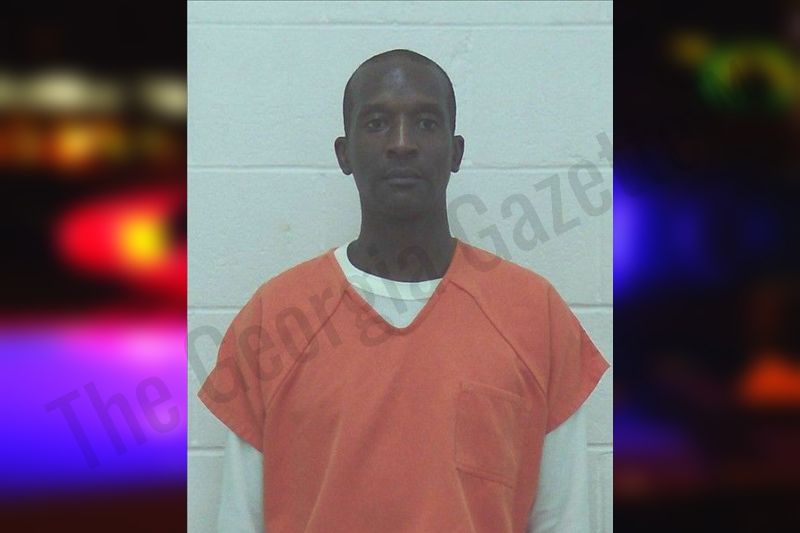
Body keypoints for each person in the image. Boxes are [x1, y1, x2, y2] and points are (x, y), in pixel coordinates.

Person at [198, 49, 609, 533]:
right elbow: (238, 519)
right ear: (344, 153)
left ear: (455, 152)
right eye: (376, 124)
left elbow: (565, 519)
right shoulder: (275, 317)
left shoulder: (535, 314)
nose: (401, 143)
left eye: (426, 123)